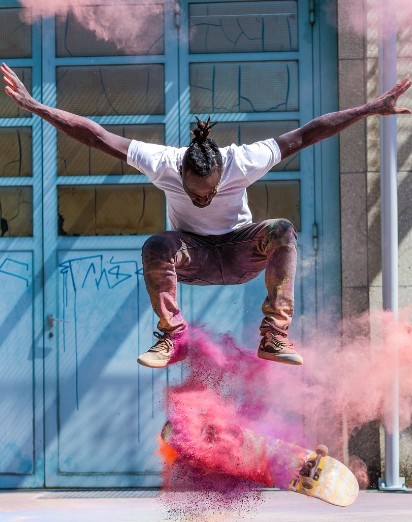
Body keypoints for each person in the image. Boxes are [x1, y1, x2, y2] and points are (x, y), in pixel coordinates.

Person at [2, 62, 411, 369]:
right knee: (157, 244)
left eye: (211, 192)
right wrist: (36, 106)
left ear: (221, 174)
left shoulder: (243, 160)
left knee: (282, 230)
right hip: (192, 256)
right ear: (180, 172)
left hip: (240, 252)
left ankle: (274, 335)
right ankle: (172, 338)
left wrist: (370, 108)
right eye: (194, 194)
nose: (203, 199)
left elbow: (307, 133)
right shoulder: (162, 161)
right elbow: (96, 136)